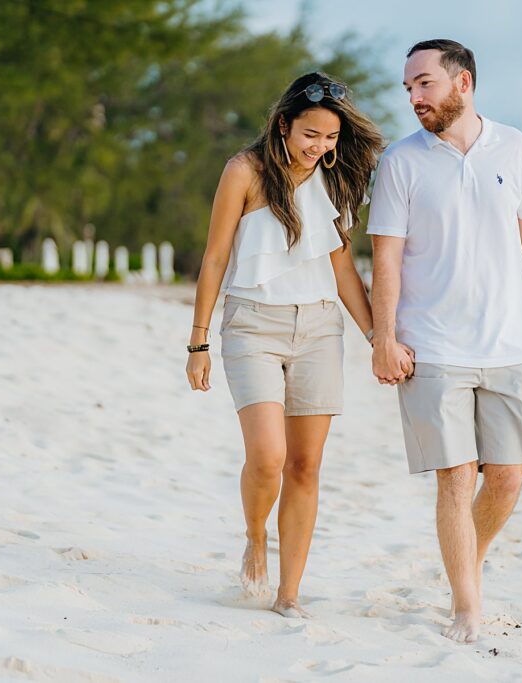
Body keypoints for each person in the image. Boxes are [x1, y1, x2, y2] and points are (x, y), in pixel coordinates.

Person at [367, 40, 522, 643]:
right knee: (456, 477)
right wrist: (384, 338)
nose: (413, 97)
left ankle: (467, 564)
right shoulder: (401, 162)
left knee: (508, 477)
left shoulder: (514, 146)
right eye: (408, 87)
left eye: (424, 84)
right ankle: (466, 606)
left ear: (463, 82)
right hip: (432, 347)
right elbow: (387, 259)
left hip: (509, 344)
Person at [185, 72, 409, 618]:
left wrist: (377, 335)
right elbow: (215, 257)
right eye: (311, 134)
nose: (320, 148)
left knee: (305, 466)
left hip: (318, 331)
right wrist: (198, 342)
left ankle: (288, 595)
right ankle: (255, 534)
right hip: (251, 326)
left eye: (330, 138)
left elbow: (340, 268)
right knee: (268, 458)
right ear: (284, 124)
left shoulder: (332, 180)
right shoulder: (245, 171)